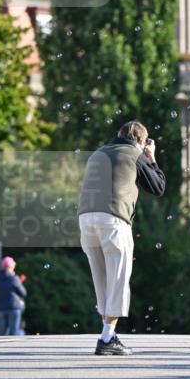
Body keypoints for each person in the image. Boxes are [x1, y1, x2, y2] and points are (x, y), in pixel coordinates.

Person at [78, 120, 166, 356]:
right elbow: (158, 187)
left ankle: (108, 332)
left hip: (85, 219)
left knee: (102, 280)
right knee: (118, 279)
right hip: (114, 220)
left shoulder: (97, 153)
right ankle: (107, 338)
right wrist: (151, 157)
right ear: (140, 140)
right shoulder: (134, 153)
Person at [0, 256, 27, 336]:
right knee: (14, 330)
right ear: (10, 267)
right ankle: (12, 348)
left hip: (1, 307)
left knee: (4, 330)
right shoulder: (14, 278)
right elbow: (23, 293)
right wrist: (19, 281)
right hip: (13, 307)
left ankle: (2, 348)